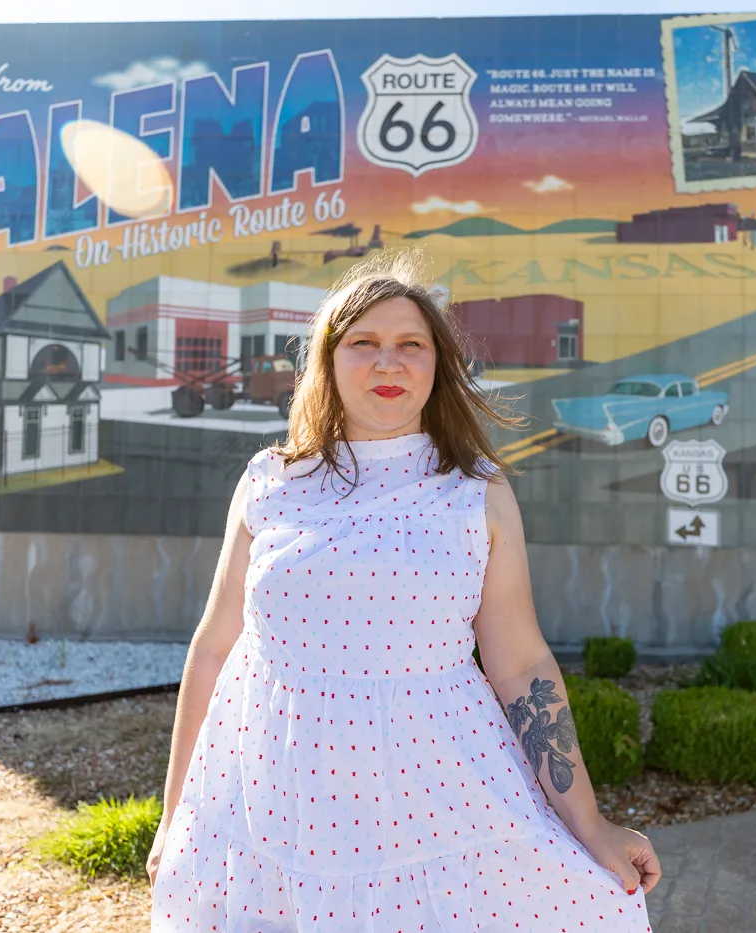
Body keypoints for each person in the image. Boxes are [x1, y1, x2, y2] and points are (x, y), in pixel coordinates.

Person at [147, 250, 660, 932]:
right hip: (270, 810)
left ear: (437, 366)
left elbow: (522, 666)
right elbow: (214, 648)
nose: (388, 363)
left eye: (410, 345)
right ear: (327, 361)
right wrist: (174, 814)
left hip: (436, 803)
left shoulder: (476, 494)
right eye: (364, 343)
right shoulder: (270, 481)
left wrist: (589, 822)